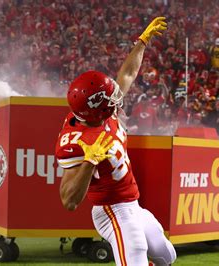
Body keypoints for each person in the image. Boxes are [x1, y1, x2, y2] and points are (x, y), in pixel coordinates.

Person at [55, 17, 176, 265]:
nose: (116, 102)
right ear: (96, 110)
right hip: (111, 210)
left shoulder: (99, 112)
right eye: (109, 101)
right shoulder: (78, 143)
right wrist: (90, 161)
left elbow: (129, 74)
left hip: (133, 204)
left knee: (167, 255)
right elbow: (69, 201)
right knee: (137, 253)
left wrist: (142, 41)